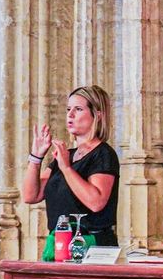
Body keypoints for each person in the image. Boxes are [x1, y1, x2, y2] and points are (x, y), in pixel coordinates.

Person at [20, 84, 119, 257]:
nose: (70, 115)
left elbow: (96, 202)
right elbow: (30, 196)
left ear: (97, 115)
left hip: (91, 245)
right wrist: (36, 157)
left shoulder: (103, 153)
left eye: (78, 109)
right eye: (68, 109)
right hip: (59, 242)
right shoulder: (67, 155)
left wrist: (66, 168)